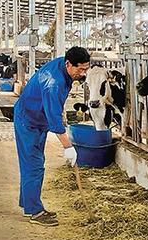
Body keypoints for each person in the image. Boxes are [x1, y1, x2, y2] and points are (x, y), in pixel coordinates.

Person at [13, 46, 91, 226]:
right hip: (29, 121)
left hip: (37, 118)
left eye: (85, 69)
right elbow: (55, 122)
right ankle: (35, 211)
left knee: (32, 163)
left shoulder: (63, 68)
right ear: (68, 64)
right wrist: (68, 147)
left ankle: (28, 203)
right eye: (80, 69)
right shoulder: (54, 83)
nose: (83, 73)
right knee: (34, 165)